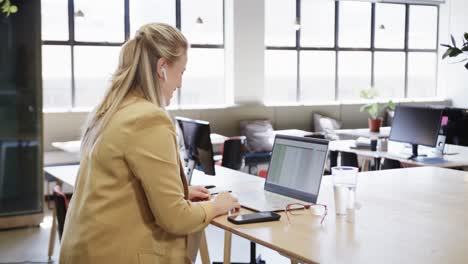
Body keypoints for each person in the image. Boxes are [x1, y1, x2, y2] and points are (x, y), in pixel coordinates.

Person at [59, 23, 240, 264]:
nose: (180, 84)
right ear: (162, 67)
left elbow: (122, 187)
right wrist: (217, 205)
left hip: (87, 250)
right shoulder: (149, 119)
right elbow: (175, 219)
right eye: (181, 72)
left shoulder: (114, 109)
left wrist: (182, 193)